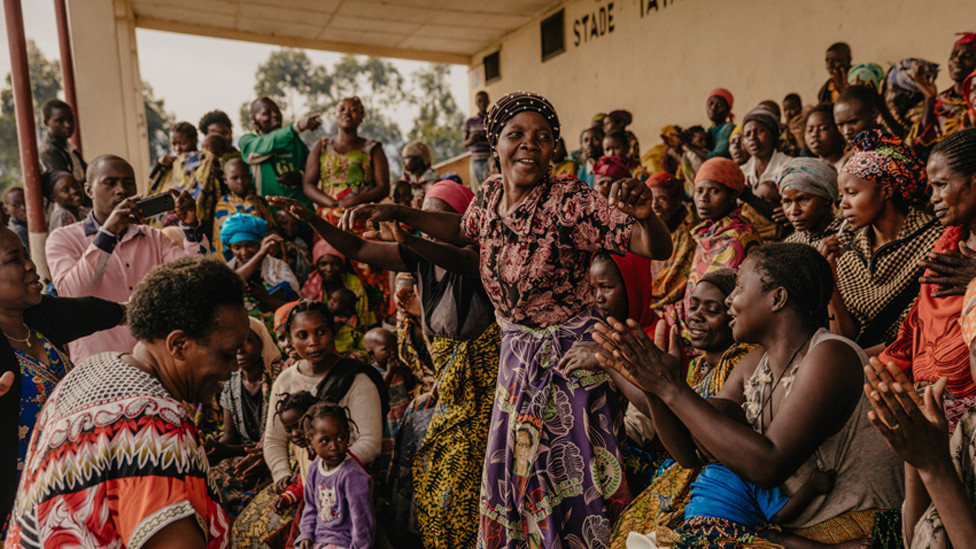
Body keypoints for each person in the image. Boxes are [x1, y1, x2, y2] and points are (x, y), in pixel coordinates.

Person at [345, 91, 672, 547]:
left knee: (568, 480)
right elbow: (463, 229)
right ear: (495, 142)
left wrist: (648, 217)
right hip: (517, 360)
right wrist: (401, 212)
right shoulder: (491, 194)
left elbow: (653, 246)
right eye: (515, 134)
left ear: (554, 149)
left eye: (542, 137)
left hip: (568, 363)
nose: (529, 145)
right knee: (517, 479)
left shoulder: (568, 200)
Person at [597, 243, 904, 547]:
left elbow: (768, 465)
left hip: (857, 531)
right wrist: (655, 390)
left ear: (777, 298)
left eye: (740, 287)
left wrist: (671, 388)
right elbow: (690, 455)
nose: (730, 299)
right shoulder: (754, 364)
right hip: (789, 533)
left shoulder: (831, 355)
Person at [273, 177, 499, 548]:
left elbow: (455, 256)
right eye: (423, 220)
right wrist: (314, 219)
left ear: (464, 221)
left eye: (438, 219)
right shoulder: (420, 257)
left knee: (459, 489)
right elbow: (359, 246)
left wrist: (407, 233)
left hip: (485, 399)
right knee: (428, 487)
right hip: (452, 399)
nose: (428, 229)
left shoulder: (476, 258)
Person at [7, 256, 249, 548]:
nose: (234, 369)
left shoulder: (92, 370)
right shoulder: (153, 423)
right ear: (178, 344)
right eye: (226, 355)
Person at [588, 269, 757, 549]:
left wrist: (616, 368)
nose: (696, 316)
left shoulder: (740, 361)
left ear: (734, 314)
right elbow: (667, 412)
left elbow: (689, 432)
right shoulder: (698, 363)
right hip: (681, 466)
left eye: (712, 309)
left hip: (713, 483)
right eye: (693, 305)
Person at [0, 226, 123, 536]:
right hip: (19, 511)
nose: (30, 264)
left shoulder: (38, 318)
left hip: (76, 491)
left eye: (26, 254)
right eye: (15, 259)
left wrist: (143, 312)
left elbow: (92, 311)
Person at [233, 300, 384, 546]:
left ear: (332, 333)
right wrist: (283, 474)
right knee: (247, 527)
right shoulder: (285, 380)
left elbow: (369, 442)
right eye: (302, 335)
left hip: (344, 479)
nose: (313, 342)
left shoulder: (357, 380)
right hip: (299, 479)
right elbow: (274, 439)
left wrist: (328, 471)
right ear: (290, 340)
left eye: (321, 332)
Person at [46, 154, 209, 362]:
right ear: (89, 190)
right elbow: (74, 291)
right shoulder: (63, 238)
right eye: (110, 183)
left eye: (128, 183)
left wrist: (191, 226)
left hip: (156, 364)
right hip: (99, 366)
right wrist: (108, 233)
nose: (121, 190)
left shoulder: (153, 237)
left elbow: (196, 280)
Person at [875, 129, 976, 427]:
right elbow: (917, 326)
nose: (933, 199)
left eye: (942, 185)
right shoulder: (947, 242)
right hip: (928, 396)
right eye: (931, 188)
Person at [819, 129, 940, 352]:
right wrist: (830, 278)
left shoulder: (933, 239)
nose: (843, 204)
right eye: (841, 196)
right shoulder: (849, 251)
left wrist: (856, 361)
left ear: (886, 191)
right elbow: (845, 337)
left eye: (852, 193)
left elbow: (922, 332)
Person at [302, 96, 392, 313]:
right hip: (327, 221)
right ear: (335, 114)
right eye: (342, 108)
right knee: (332, 272)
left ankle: (373, 320)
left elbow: (383, 187)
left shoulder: (373, 148)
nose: (347, 113)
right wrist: (332, 203)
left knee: (368, 271)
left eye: (354, 110)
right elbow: (308, 184)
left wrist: (353, 202)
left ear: (361, 116)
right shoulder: (321, 146)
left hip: (361, 219)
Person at [672, 158, 760, 333]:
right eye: (699, 191)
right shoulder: (707, 232)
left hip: (716, 328)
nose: (703, 198)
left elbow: (716, 301)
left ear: (732, 196)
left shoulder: (736, 239)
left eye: (714, 191)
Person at [206, 316, 280, 516]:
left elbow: (282, 440)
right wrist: (218, 449)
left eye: (247, 340)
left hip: (275, 455)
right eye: (234, 342)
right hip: (246, 454)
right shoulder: (231, 383)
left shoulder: (278, 379)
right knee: (207, 484)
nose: (239, 348)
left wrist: (227, 450)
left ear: (262, 343)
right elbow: (230, 435)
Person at [296, 401, 375, 549]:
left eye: (340, 438)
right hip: (318, 539)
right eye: (325, 441)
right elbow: (311, 507)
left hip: (343, 542)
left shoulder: (352, 475)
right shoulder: (314, 469)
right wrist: (306, 534)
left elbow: (362, 520)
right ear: (310, 440)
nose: (334, 446)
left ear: (347, 434)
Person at [240, 96, 321, 207]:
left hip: (301, 209)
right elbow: (267, 144)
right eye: (266, 113)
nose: (275, 115)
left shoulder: (294, 141)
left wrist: (300, 175)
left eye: (277, 111)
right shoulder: (248, 142)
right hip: (270, 212)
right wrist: (296, 127)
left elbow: (313, 169)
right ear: (254, 120)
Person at [147, 121, 221, 237]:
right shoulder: (170, 164)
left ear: (195, 140)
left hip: (199, 221)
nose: (177, 148)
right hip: (169, 227)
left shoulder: (206, 161)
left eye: (182, 143)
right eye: (174, 144)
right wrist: (159, 163)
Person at [222, 213, 300, 315]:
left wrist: (266, 298)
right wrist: (261, 253)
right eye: (237, 247)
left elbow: (296, 307)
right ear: (231, 248)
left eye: (250, 245)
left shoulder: (277, 267)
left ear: (259, 244)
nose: (244, 252)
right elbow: (232, 282)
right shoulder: (225, 271)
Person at [913, 32, 976, 149]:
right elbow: (919, 145)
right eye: (954, 54)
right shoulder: (942, 101)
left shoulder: (974, 103)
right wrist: (929, 99)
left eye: (967, 56)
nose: (957, 60)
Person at [301, 239, 376, 329]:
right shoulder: (311, 287)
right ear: (316, 265)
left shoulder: (353, 282)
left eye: (335, 263)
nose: (329, 269)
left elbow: (363, 313)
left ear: (342, 264)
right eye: (323, 264)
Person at [646, 172, 695, 311]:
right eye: (650, 199)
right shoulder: (645, 233)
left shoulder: (688, 236)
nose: (655, 205)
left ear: (677, 201)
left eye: (662, 198)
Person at [213, 157, 276, 257]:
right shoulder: (222, 205)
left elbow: (271, 230)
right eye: (234, 178)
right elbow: (219, 242)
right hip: (235, 261)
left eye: (245, 177)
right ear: (225, 180)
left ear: (250, 178)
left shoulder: (259, 202)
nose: (240, 181)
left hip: (263, 257)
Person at [779, 157, 842, 248]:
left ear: (827, 200)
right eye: (787, 202)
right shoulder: (792, 243)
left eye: (803, 200)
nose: (794, 211)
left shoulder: (844, 239)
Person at [38, 99, 86, 187]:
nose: (68, 125)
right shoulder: (49, 151)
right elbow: (66, 186)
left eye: (71, 119)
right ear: (46, 123)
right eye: (60, 121)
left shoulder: (68, 147)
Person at [805, 103, 846, 169]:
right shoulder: (809, 168)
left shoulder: (850, 164)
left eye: (823, 128)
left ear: (838, 130)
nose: (814, 134)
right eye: (810, 130)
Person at [464, 90, 491, 191]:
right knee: (477, 190)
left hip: (489, 159)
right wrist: (472, 139)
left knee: (489, 187)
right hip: (475, 161)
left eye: (484, 101)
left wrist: (486, 136)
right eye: (479, 101)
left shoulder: (492, 119)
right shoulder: (470, 122)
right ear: (476, 103)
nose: (482, 103)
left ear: (488, 101)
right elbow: (464, 143)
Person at [705, 88, 735, 159]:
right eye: (711, 103)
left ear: (728, 111)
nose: (713, 108)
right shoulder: (706, 131)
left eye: (719, 105)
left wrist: (690, 147)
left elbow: (717, 156)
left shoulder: (728, 128)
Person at [3, 187, 28, 252]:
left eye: (26, 202)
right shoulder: (19, 232)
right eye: (16, 205)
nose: (23, 208)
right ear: (6, 210)